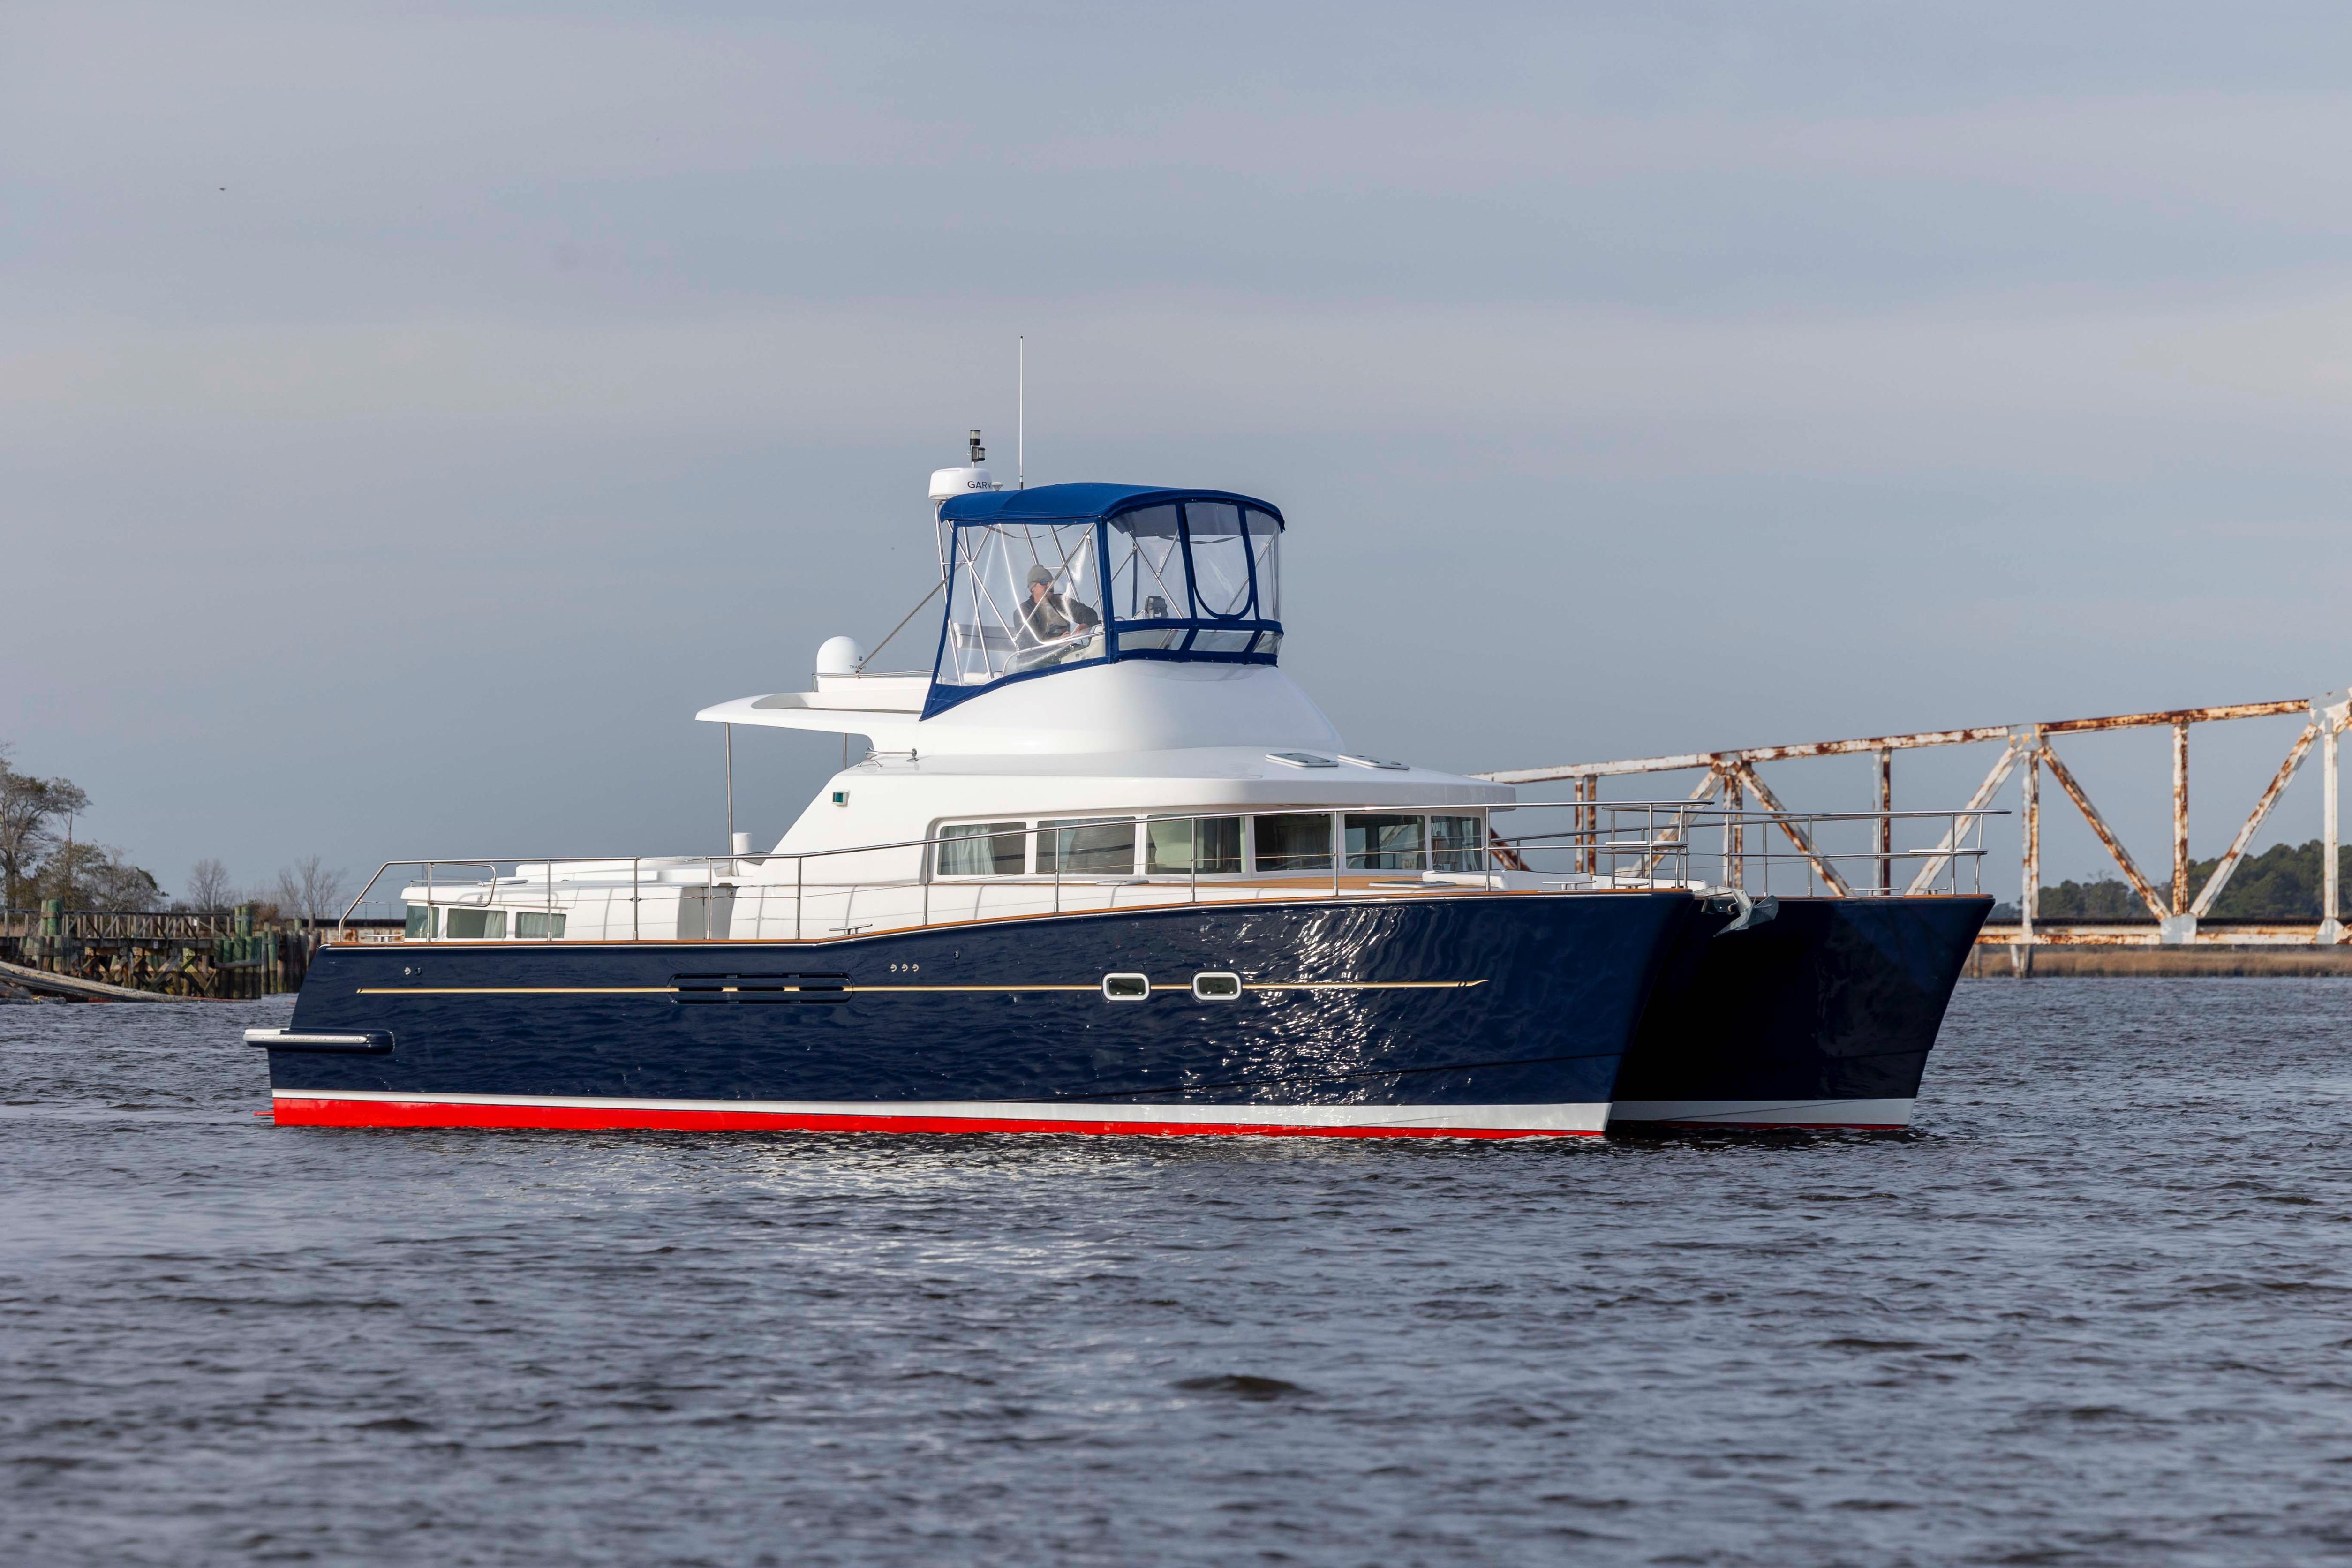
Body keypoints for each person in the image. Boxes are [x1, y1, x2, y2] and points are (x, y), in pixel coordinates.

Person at [1019, 564, 1099, 650]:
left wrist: (1085, 625)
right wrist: (1058, 641)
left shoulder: (1061, 601)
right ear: (1033, 588)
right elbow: (1030, 643)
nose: (1050, 585)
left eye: (1051, 582)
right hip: (1039, 661)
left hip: (1065, 654)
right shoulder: (1024, 610)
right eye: (1044, 582)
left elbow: (1089, 613)